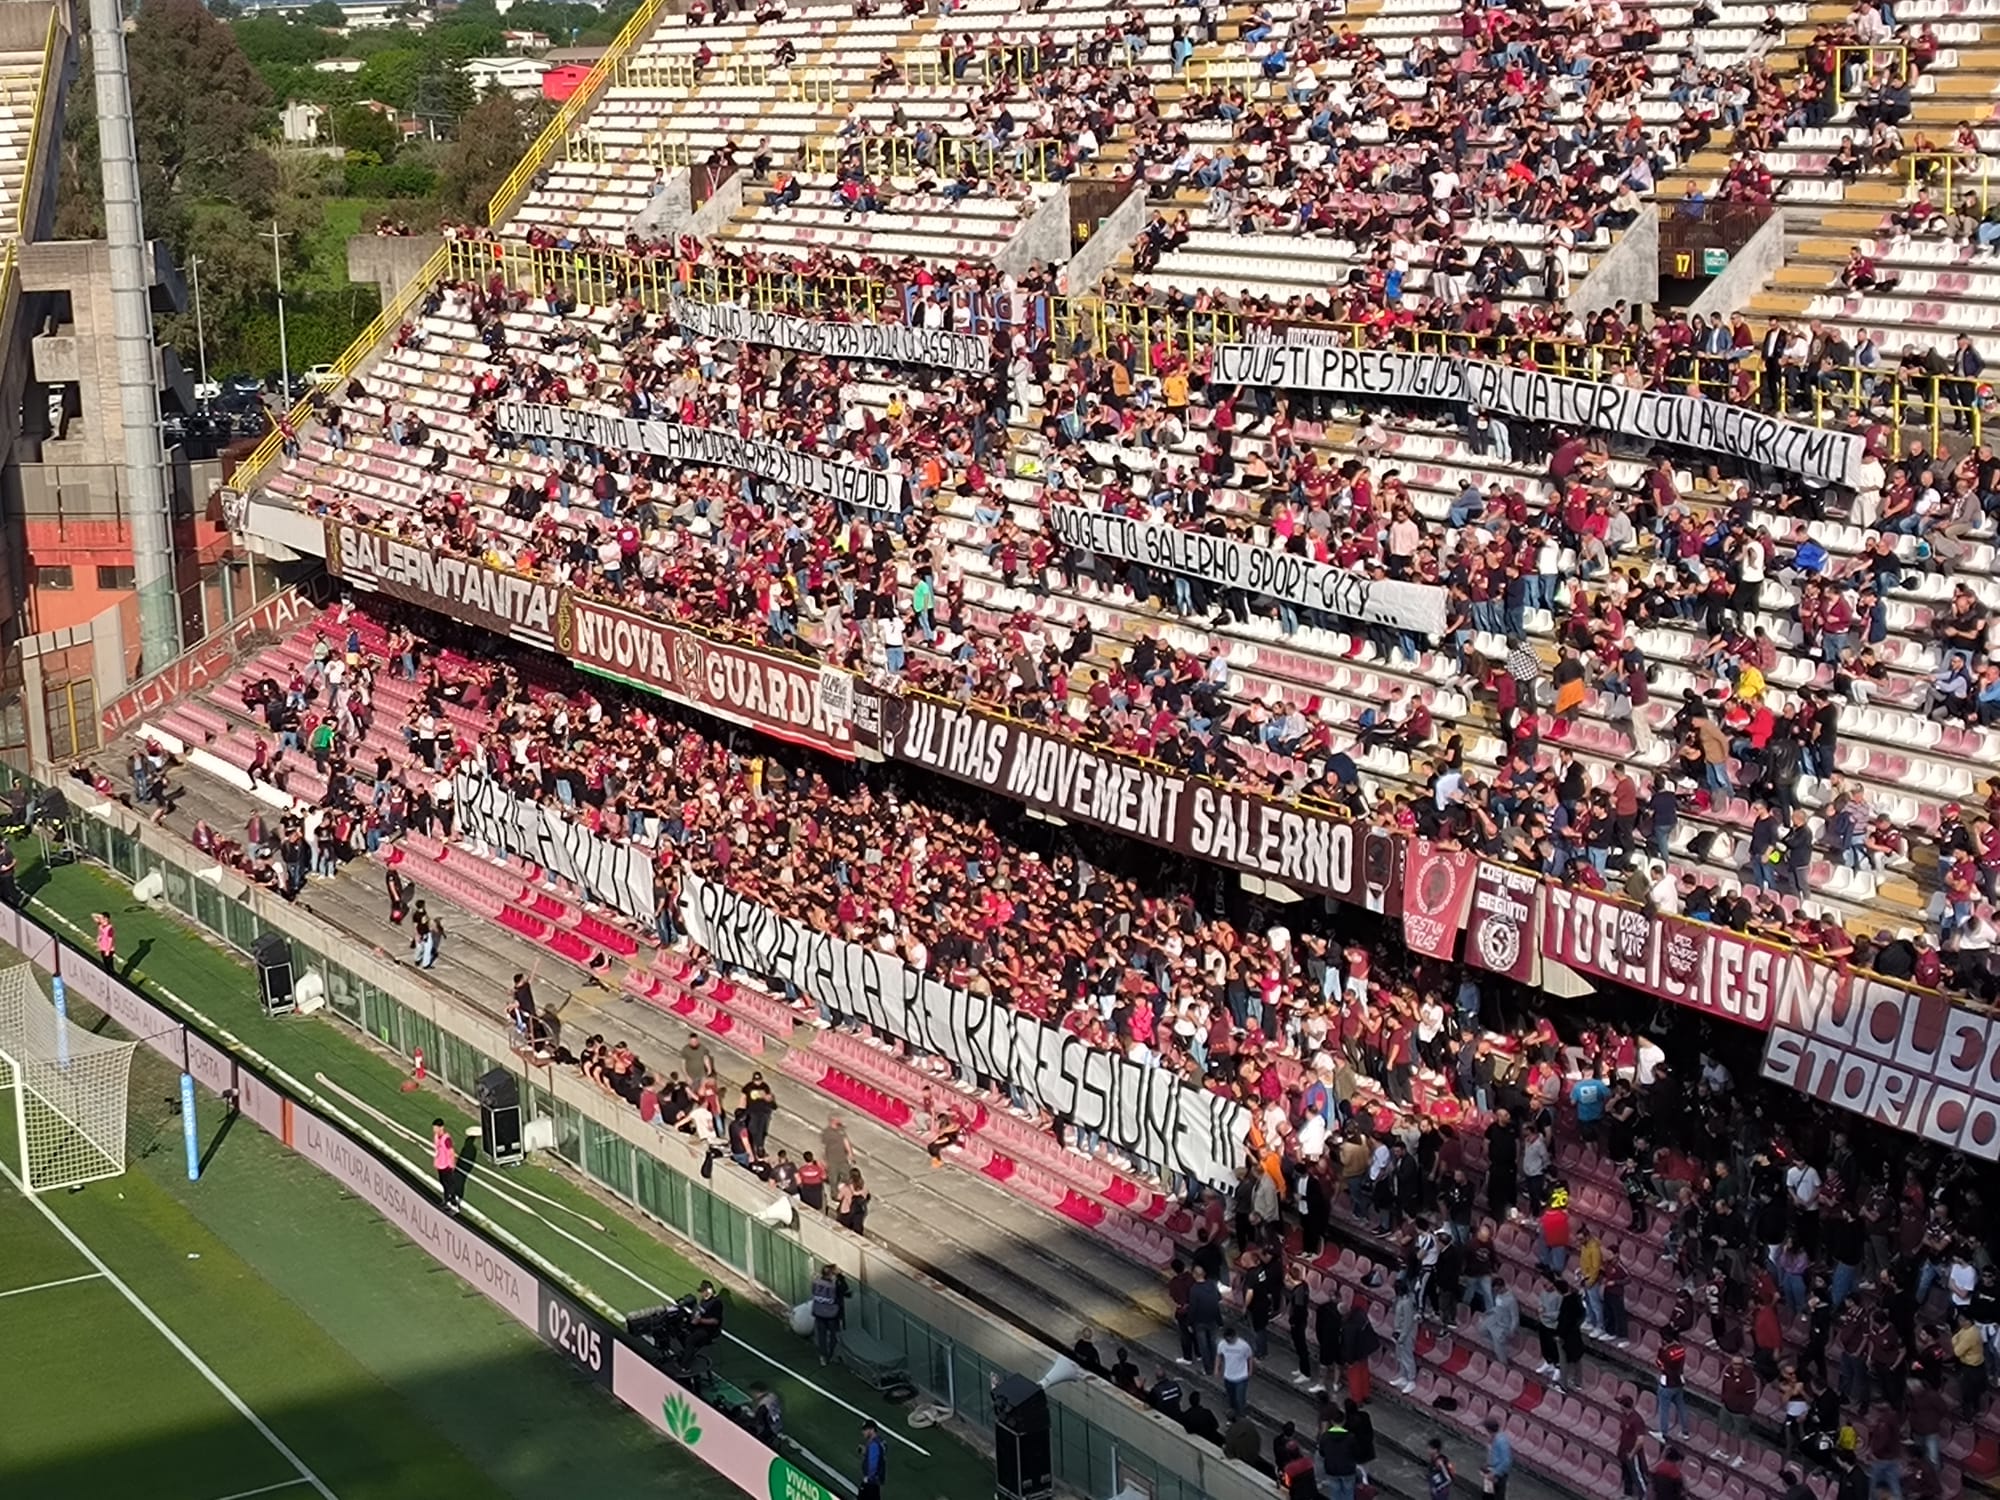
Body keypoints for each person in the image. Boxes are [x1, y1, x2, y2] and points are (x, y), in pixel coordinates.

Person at [809, 1261, 847, 1364]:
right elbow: (844, 1289)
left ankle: (823, 1356)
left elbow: (813, 1292)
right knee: (834, 1335)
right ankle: (832, 1355)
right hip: (831, 1314)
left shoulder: (816, 1282)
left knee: (822, 1336)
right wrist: (840, 1277)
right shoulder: (834, 1286)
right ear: (831, 1274)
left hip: (818, 1311)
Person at [1216, 1325, 1255, 1417]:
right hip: (1228, 1376)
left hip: (1241, 1377)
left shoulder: (1244, 1346)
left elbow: (1250, 1358)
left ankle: (1241, 1417)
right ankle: (1232, 1417)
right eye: (1227, 1340)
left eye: (1230, 1340)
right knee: (1231, 1399)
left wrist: (1250, 1371)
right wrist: (1217, 1368)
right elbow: (1219, 1356)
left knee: (1240, 1399)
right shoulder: (1222, 1344)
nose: (1229, 1342)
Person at [432, 1118, 461, 1213]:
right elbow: (437, 1150)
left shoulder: (446, 1139)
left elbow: (451, 1152)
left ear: (441, 1127)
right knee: (443, 1183)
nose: (435, 1130)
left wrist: (451, 1164)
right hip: (440, 1164)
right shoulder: (436, 1137)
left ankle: (453, 1203)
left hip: (446, 1165)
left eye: (436, 1128)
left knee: (449, 1184)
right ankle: (446, 1200)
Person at [1484, 1414, 1514, 1500]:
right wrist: (1487, 1464)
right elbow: (1492, 1454)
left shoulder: (1501, 1441)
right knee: (1488, 1495)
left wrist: (1494, 1473)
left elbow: (1506, 1461)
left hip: (1498, 1474)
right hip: (1491, 1470)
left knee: (1498, 1496)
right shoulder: (1493, 1439)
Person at [858, 1419, 887, 1500]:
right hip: (876, 1482)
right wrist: (866, 1452)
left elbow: (873, 1464)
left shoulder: (873, 1445)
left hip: (871, 1482)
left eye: (865, 1430)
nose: (863, 1432)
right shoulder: (880, 1441)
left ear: (872, 1430)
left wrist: (868, 1478)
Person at [835, 1168, 870, 1236]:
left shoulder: (846, 1188)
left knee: (843, 1228)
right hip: (859, 1211)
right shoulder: (864, 1189)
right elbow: (866, 1197)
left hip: (846, 1211)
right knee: (857, 1228)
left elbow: (838, 1197)